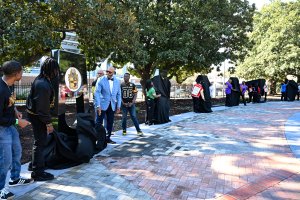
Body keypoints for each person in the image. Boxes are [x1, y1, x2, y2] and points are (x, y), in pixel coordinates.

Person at [1, 61, 33, 200]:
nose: (22, 73)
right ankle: (1, 189)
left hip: (10, 125)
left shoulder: (10, 85)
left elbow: (9, 102)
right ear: (16, 74)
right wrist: (17, 122)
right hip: (2, 128)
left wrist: (15, 111)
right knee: (4, 160)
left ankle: (14, 178)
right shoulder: (0, 90)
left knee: (17, 151)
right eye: (21, 71)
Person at [26, 57, 59, 181]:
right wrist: (48, 123)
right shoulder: (43, 84)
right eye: (56, 70)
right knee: (40, 143)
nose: (57, 72)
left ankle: (34, 165)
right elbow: (42, 109)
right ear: (51, 70)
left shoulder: (42, 79)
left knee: (39, 143)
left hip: (36, 115)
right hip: (38, 117)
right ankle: (37, 172)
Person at [94, 66, 121, 144]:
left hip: (112, 105)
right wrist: (98, 106)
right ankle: (98, 139)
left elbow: (119, 94)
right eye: (107, 71)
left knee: (110, 122)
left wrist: (118, 106)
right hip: (102, 104)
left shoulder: (117, 81)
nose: (108, 73)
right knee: (98, 122)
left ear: (113, 73)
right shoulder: (100, 79)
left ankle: (107, 138)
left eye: (110, 72)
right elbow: (97, 93)